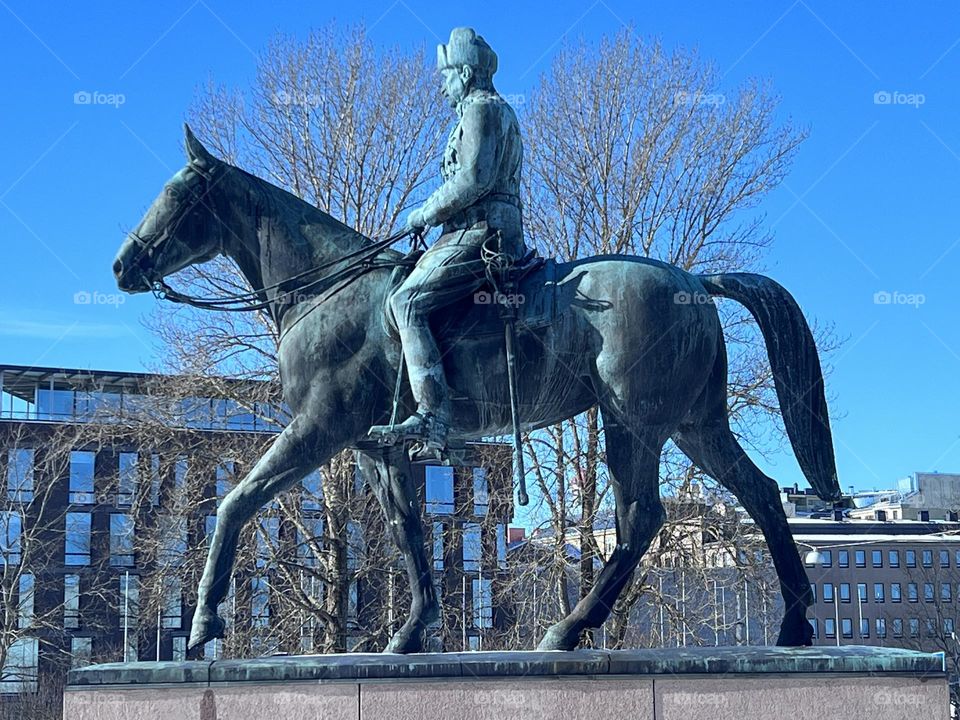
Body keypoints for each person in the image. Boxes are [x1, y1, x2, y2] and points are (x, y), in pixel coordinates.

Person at [369, 27, 525, 450]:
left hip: (482, 232)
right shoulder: (487, 110)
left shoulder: (482, 110)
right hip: (473, 230)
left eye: (445, 76)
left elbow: (472, 180)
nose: (441, 87)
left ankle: (432, 416)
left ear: (466, 74)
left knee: (406, 302)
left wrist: (423, 212)